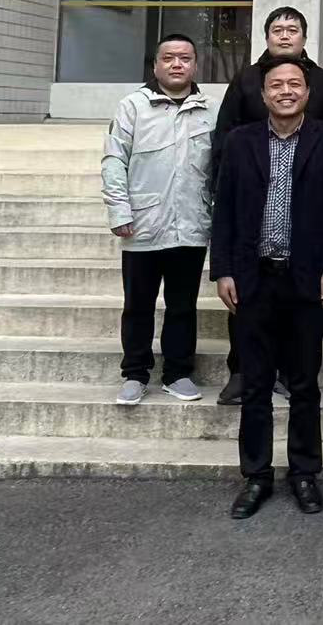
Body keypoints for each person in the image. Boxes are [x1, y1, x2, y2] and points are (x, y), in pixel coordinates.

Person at [212, 55, 323, 519]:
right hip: (253, 279)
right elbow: (224, 209)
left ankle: (304, 472)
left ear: (307, 93)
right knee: (255, 384)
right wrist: (223, 270)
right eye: (276, 85)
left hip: (307, 280)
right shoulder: (241, 141)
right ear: (264, 93)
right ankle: (256, 475)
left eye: (294, 84)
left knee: (305, 383)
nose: (286, 91)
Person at [211, 5, 323, 406]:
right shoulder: (246, 79)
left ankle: (286, 374)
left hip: (305, 220)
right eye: (277, 29)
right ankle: (242, 373)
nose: (284, 35)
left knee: (301, 345)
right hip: (254, 208)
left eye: (292, 29)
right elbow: (224, 134)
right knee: (246, 312)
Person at [101, 34, 213, 408]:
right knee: (138, 305)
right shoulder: (133, 106)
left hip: (191, 225)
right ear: (155, 65)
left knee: (183, 305)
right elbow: (114, 160)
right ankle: (135, 374)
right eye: (169, 58)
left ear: (195, 64)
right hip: (142, 224)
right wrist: (119, 211)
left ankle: (178, 373)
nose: (177, 64)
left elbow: (217, 170)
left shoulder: (209, 111)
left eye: (185, 58)